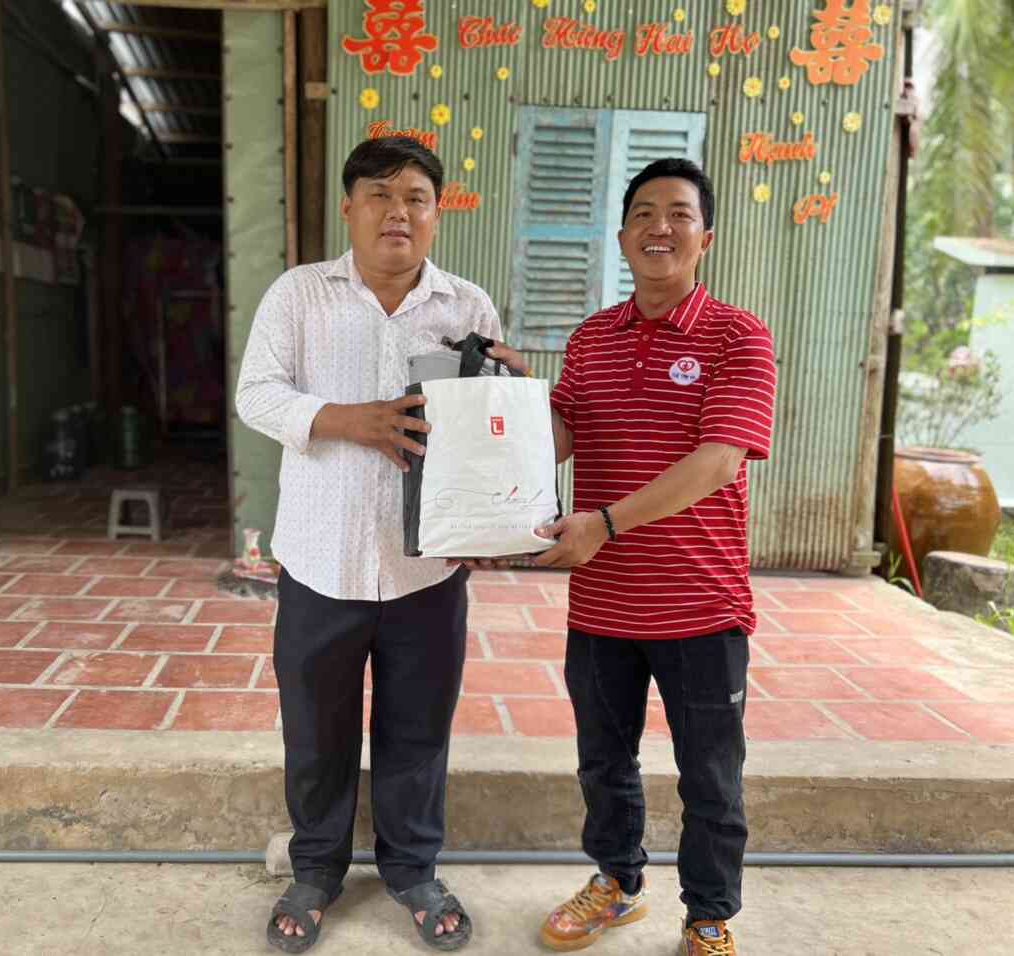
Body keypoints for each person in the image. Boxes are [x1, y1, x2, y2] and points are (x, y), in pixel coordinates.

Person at [486, 158, 777, 955]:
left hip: (701, 606)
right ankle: (617, 884)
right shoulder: (592, 339)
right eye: (644, 213)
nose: (660, 227)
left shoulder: (739, 336)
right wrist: (504, 402)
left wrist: (605, 524)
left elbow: (718, 461)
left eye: (679, 213)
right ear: (621, 237)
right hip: (604, 604)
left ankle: (709, 915)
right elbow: (558, 436)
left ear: (705, 237)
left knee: (710, 777)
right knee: (603, 764)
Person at [237, 136, 502, 953]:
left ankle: (413, 871)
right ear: (349, 208)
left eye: (416, 196)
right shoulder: (299, 295)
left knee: (417, 732)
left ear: (437, 214)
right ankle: (315, 870)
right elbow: (256, 394)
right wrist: (352, 420)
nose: (398, 211)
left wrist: (505, 422)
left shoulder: (468, 306)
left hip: (428, 568)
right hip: (320, 560)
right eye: (380, 195)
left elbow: (486, 432)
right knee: (316, 733)